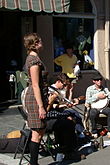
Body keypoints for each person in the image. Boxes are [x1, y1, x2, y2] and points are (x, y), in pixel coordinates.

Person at [23, 33, 48, 165]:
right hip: (35, 99)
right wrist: (41, 106)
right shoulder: (34, 61)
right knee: (36, 133)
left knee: (40, 130)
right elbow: (35, 85)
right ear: (36, 43)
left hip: (39, 97)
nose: (42, 42)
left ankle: (33, 163)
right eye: (40, 41)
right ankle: (33, 163)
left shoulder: (35, 58)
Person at [85, 72, 110, 137]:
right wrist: (97, 97)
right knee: (92, 113)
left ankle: (109, 130)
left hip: (104, 107)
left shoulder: (105, 89)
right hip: (94, 107)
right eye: (97, 80)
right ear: (93, 81)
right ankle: (94, 131)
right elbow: (87, 100)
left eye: (100, 80)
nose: (99, 81)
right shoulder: (89, 89)